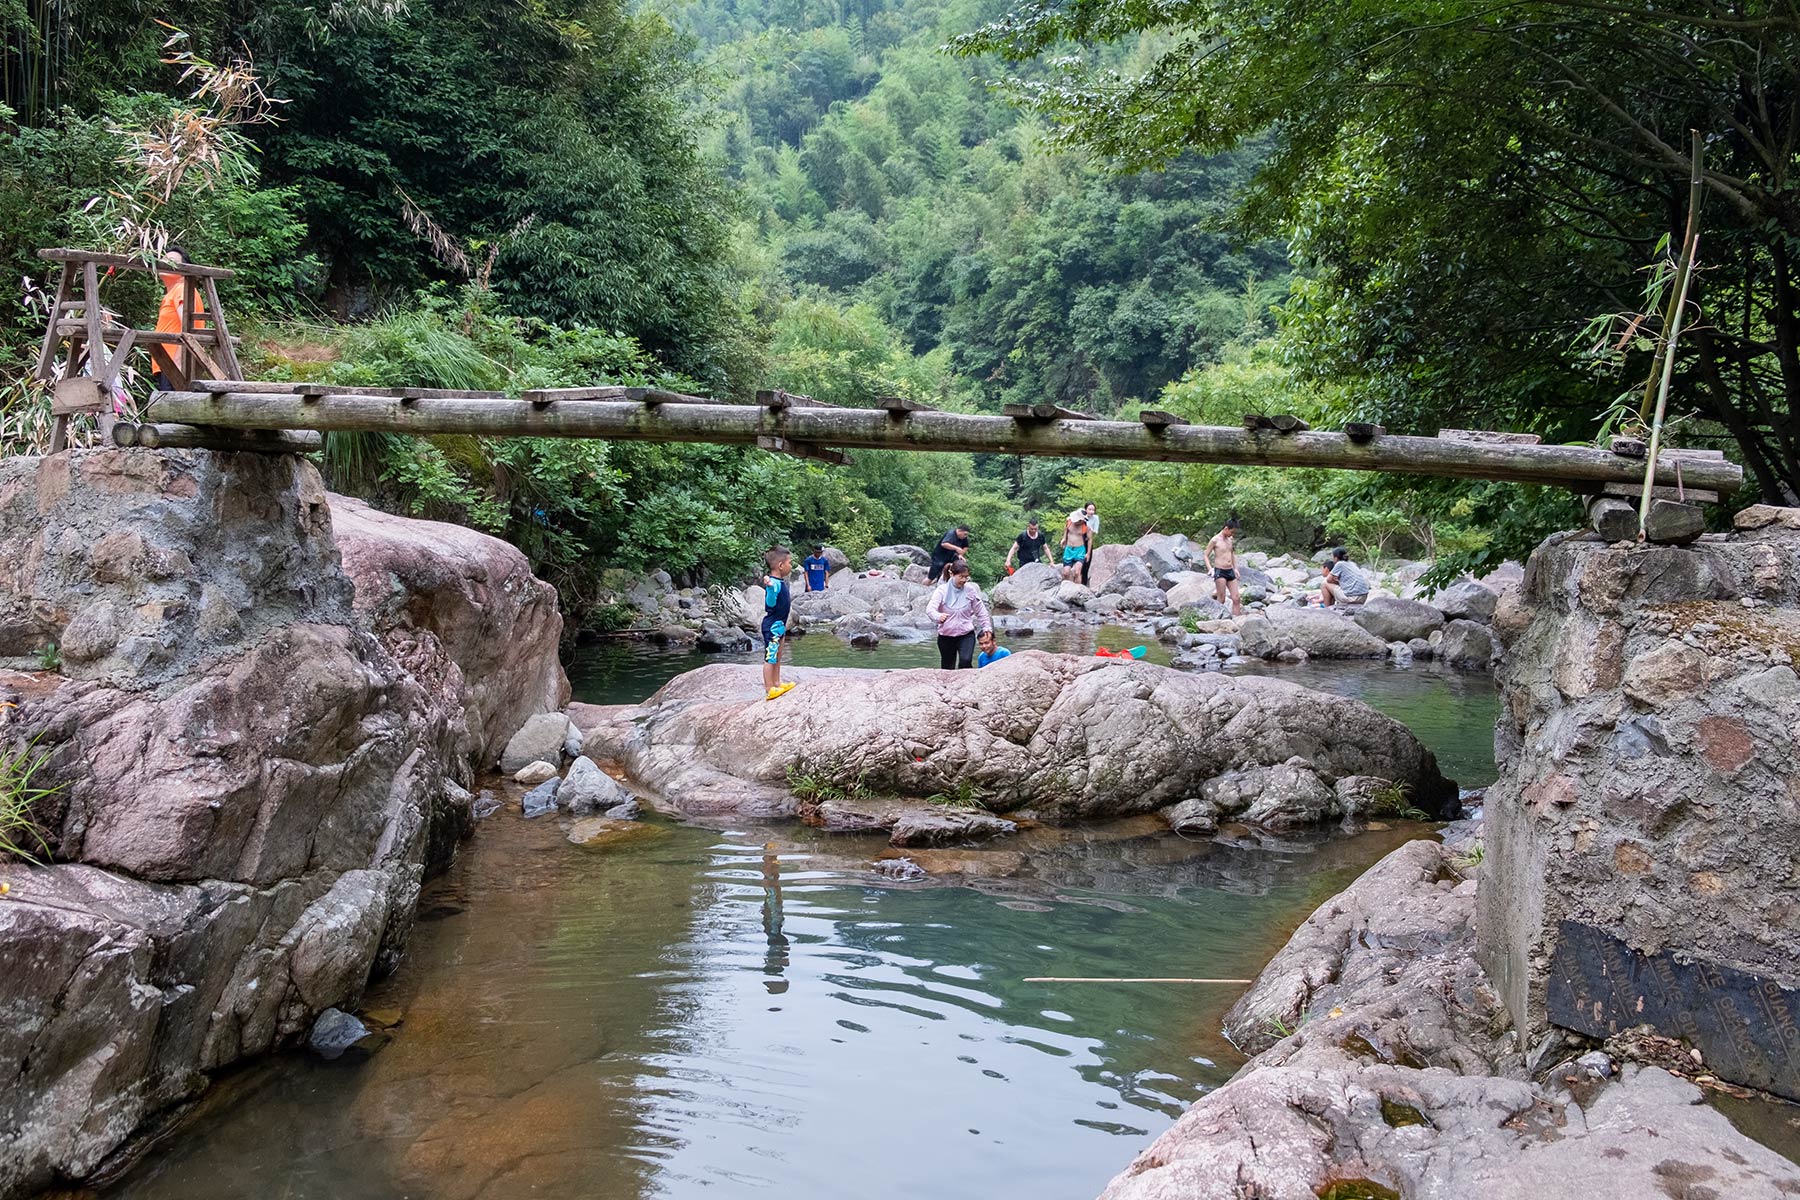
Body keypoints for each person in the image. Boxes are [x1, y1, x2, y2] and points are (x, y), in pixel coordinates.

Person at [150, 245, 204, 391]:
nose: (164, 263)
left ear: (183, 269)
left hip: (175, 365)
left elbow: (187, 327)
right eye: (163, 259)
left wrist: (179, 362)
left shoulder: (182, 289)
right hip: (167, 363)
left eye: (171, 260)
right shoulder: (174, 292)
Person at [927, 559, 992, 669]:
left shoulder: (970, 590)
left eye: (966, 577)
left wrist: (987, 628)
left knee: (965, 661)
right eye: (961, 577)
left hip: (966, 634)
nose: (964, 580)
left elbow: (981, 611)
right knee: (948, 668)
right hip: (946, 636)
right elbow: (930, 609)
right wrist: (938, 616)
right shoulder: (941, 591)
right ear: (952, 574)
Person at [761, 546, 796, 700]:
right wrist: (769, 587)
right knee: (771, 656)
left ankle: (777, 682)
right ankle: (769, 689)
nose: (791, 566)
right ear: (781, 565)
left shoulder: (779, 581)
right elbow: (769, 604)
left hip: (779, 626)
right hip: (773, 626)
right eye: (790, 563)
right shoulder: (773, 584)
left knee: (778, 654)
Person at [1203, 519, 1244, 616]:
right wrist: (1210, 569)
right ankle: (1215, 620)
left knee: (1236, 597)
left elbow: (1232, 553)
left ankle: (1236, 620)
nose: (1232, 534)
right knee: (1221, 598)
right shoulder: (1215, 540)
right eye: (1231, 531)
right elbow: (1205, 555)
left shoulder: (1230, 540)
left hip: (1230, 571)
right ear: (1226, 528)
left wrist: (1235, 568)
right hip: (1220, 571)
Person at [1066, 502, 1099, 585]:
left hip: (1086, 541)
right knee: (1071, 567)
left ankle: (1083, 585)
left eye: (1093, 510)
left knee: (1085, 565)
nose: (1091, 511)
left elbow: (1094, 531)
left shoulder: (1095, 518)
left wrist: (1088, 533)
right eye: (1090, 509)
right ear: (1085, 510)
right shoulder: (1078, 516)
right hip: (1074, 543)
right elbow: (1068, 525)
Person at [1060, 513, 1090, 581]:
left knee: (1077, 572)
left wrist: (1088, 553)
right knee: (1066, 572)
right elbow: (1066, 529)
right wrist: (1064, 538)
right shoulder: (1069, 521)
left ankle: (1078, 590)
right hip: (1069, 549)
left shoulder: (1086, 526)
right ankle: (1067, 588)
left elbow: (1089, 539)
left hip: (1080, 550)